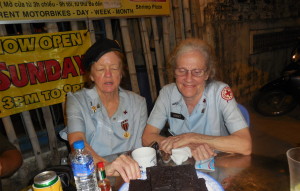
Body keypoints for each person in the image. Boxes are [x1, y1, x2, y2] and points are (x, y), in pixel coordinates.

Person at [142, 38, 252, 161]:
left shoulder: (220, 92)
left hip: (219, 161)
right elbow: (147, 137)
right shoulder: (167, 94)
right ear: (174, 72)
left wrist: (192, 137)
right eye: (182, 71)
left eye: (197, 72)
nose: (188, 79)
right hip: (182, 162)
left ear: (207, 74)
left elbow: (245, 145)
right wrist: (186, 146)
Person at [61, 38, 147, 182]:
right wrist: (106, 166)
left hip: (129, 176)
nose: (108, 74)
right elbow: (77, 141)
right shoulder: (77, 101)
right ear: (91, 75)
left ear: (121, 73)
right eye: (101, 69)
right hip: (92, 176)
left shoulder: (138, 103)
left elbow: (140, 149)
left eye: (114, 68)